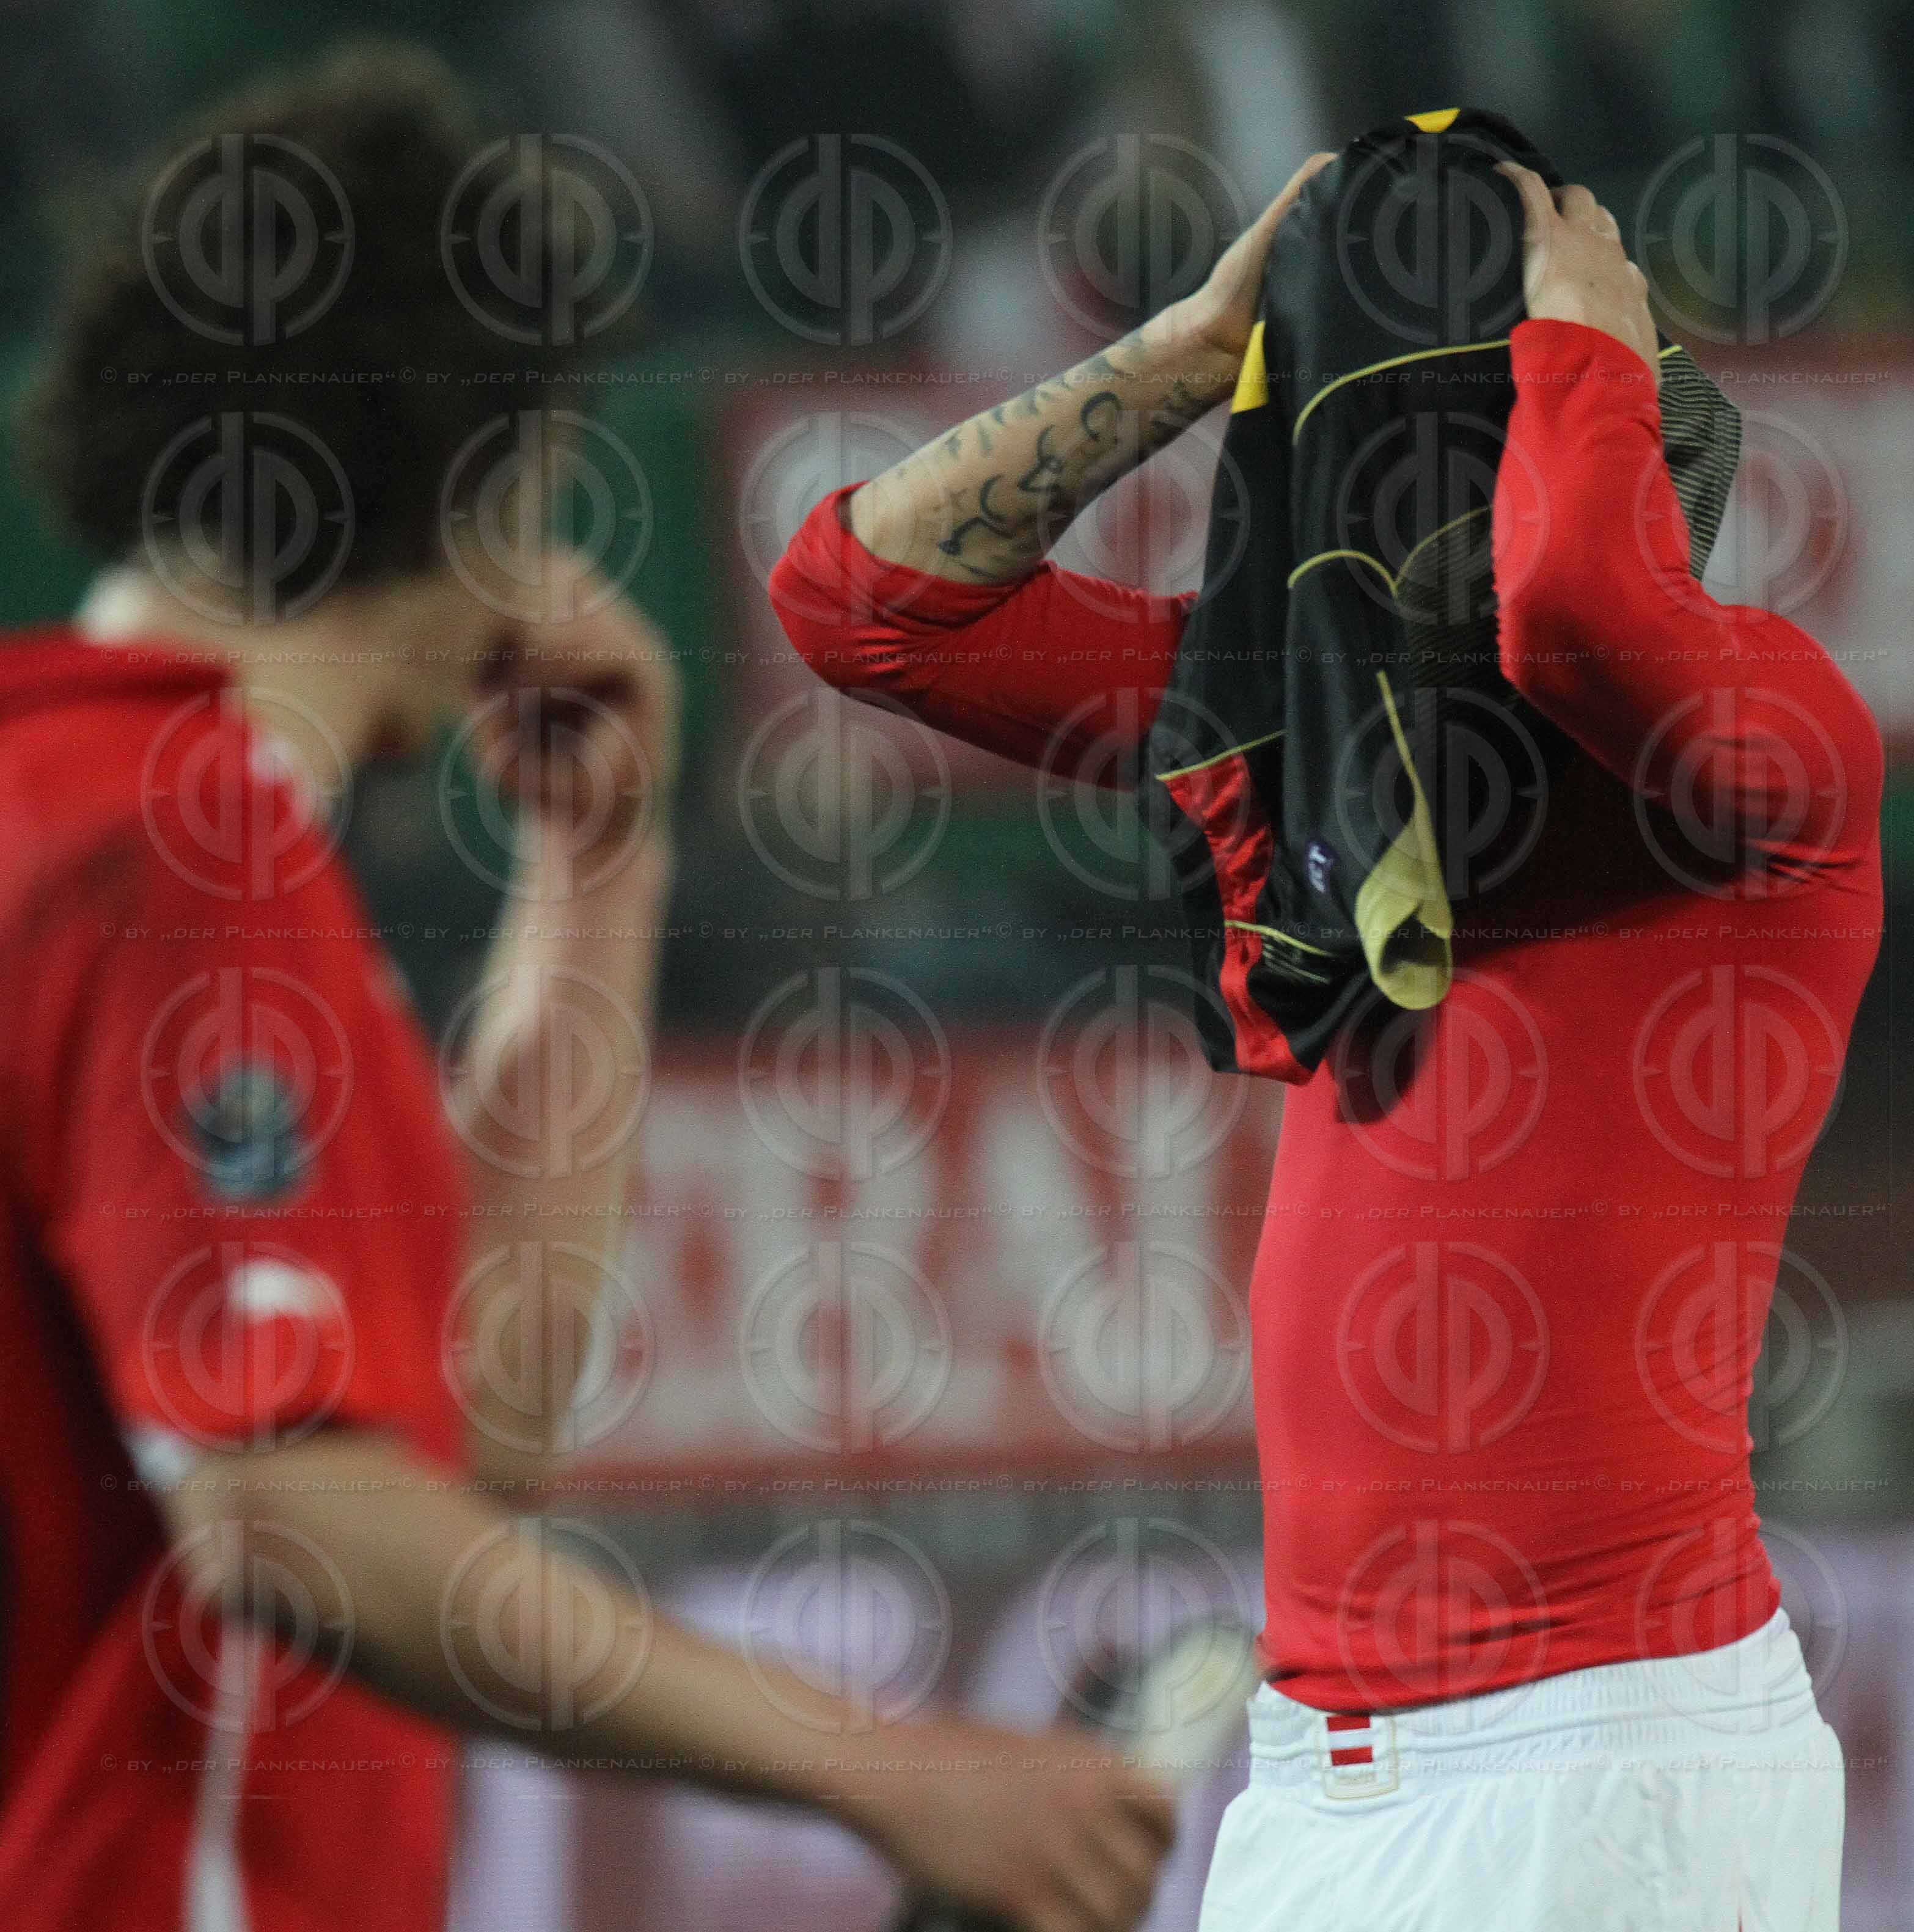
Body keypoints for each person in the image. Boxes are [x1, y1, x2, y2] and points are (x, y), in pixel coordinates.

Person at [0, 43, 1173, 1932]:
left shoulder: (80, 803)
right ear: (487, 474)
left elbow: (468, 1413)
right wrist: (890, 1764)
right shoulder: (182, 842)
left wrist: (596, 860)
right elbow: (292, 1510)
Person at [774, 141, 1882, 1928]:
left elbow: (1576, 605)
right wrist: (1194, 349)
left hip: (1612, 1751)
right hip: (1315, 1780)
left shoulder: (1777, 758)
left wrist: (1576, 336)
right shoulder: (1323, 774)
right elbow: (858, 603)